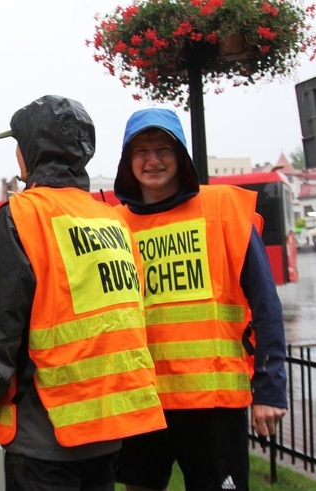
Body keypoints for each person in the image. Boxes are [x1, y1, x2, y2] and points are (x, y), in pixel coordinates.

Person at [0, 95, 166, 491]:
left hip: (43, 433)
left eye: (18, 145)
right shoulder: (109, 219)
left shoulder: (21, 215)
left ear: (30, 151)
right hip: (103, 429)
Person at [112, 108, 288, 491]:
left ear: (181, 158)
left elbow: (265, 305)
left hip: (213, 406)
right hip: (144, 402)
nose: (153, 160)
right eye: (141, 151)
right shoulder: (113, 227)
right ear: (127, 161)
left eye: (163, 149)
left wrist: (270, 390)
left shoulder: (223, 210)